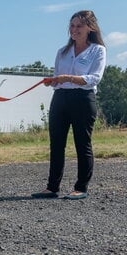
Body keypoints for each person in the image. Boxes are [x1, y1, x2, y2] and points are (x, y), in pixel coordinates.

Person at [32, 10, 106, 200]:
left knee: (82, 143)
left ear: (90, 28)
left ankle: (81, 187)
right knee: (56, 144)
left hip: (83, 99)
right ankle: (52, 187)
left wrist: (69, 78)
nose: (74, 30)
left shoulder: (97, 50)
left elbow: (94, 78)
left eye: (79, 26)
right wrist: (53, 81)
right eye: (72, 26)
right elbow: (59, 78)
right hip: (60, 98)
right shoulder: (62, 52)